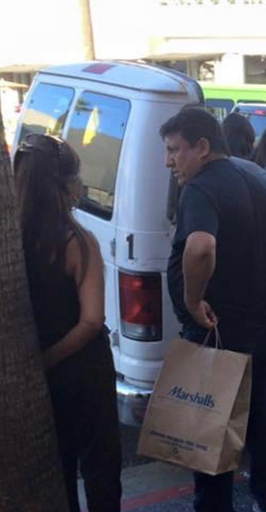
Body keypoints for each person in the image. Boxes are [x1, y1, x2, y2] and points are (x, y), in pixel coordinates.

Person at [161, 107, 266, 512]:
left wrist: (192, 300)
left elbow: (201, 246)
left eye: (174, 150)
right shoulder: (254, 181)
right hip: (259, 331)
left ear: (202, 147)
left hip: (216, 333)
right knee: (264, 427)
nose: (168, 161)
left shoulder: (200, 188)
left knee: (209, 440)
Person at [14, 133, 122, 512]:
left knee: (55, 468)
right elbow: (92, 320)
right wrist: (53, 357)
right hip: (83, 370)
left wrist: (38, 362)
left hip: (36, 376)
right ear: (65, 185)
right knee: (100, 468)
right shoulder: (76, 241)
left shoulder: (13, 243)